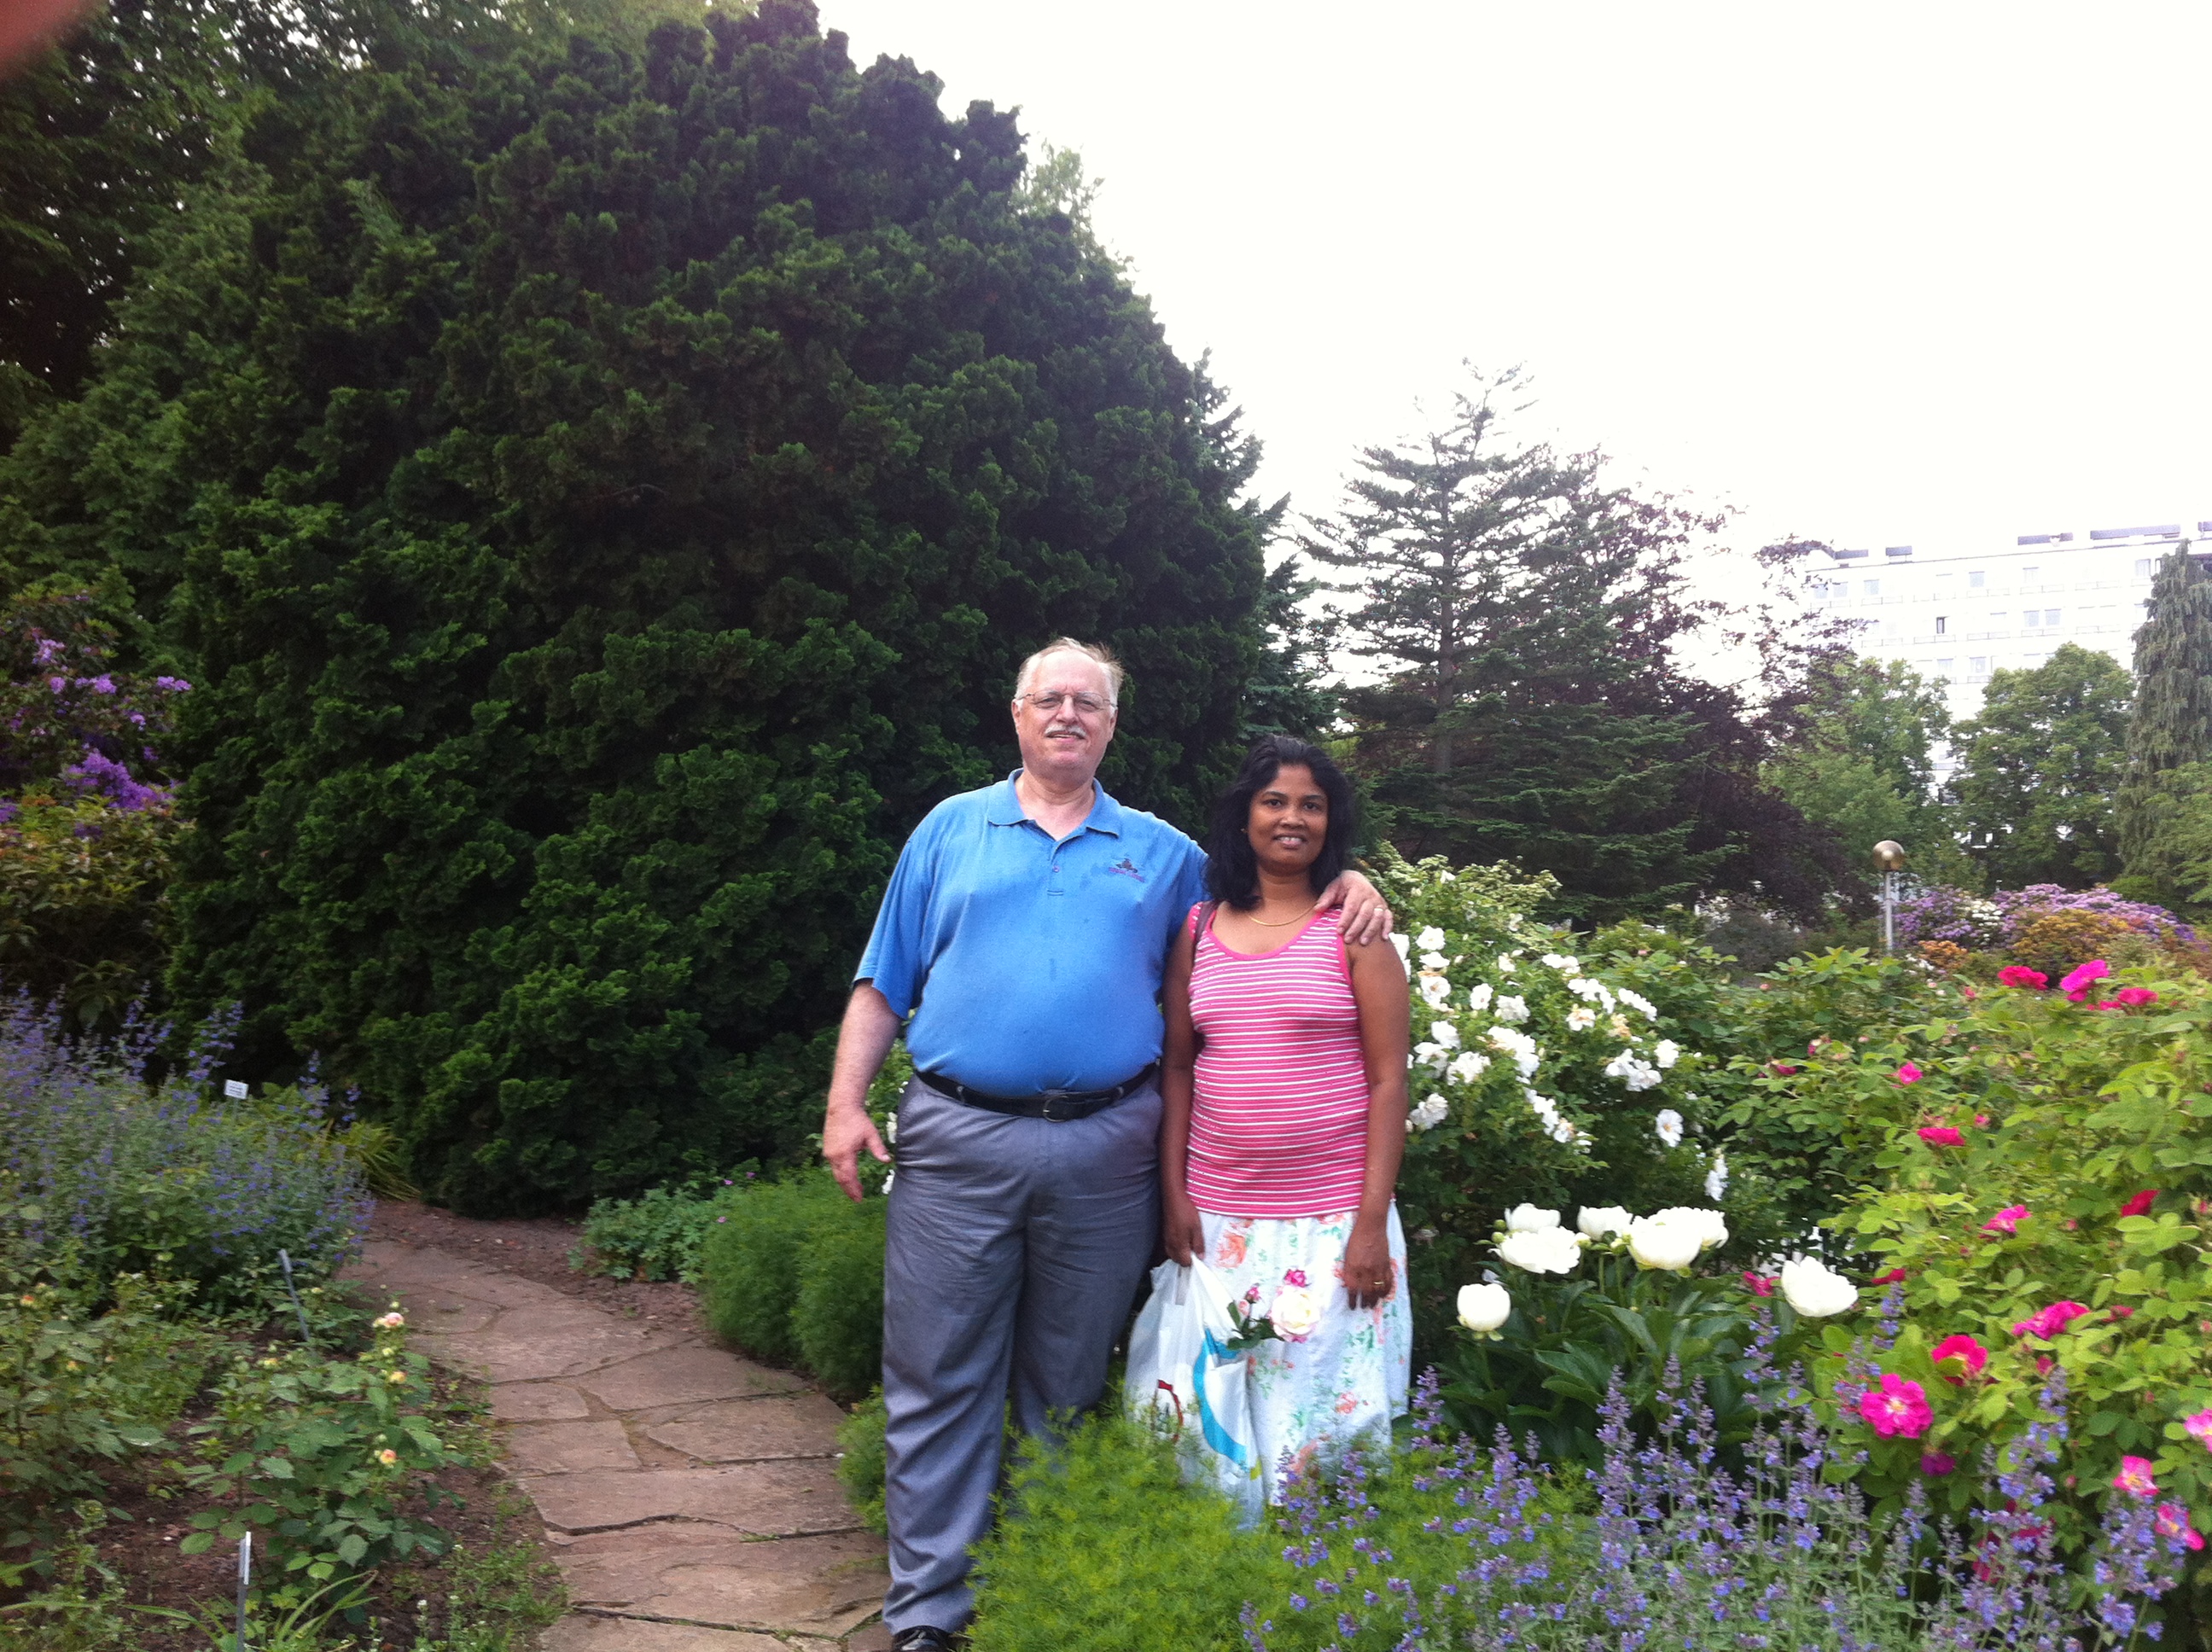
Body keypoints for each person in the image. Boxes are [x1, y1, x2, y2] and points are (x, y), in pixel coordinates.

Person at [820, 640, 1392, 1652]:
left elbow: (1267, 886)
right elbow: (883, 977)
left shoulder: (1161, 853)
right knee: (939, 1376)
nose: (1069, 714)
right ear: (1018, 713)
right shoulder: (950, 829)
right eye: (1051, 697)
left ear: (1112, 725)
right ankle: (930, 1613)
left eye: (1089, 702)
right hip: (958, 1136)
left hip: (1106, 1147)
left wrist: (1353, 878)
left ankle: (1039, 1590)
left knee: (1069, 1379)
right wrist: (844, 1102)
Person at [1159, 734, 1412, 1502]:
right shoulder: (1198, 929)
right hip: (1221, 1223)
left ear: (1332, 823)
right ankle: (1228, 1556)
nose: (1292, 818)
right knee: (1219, 1426)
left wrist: (1371, 1225)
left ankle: (1320, 1561)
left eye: (1312, 804)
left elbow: (1389, 1081)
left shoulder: (1356, 931)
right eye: (1274, 801)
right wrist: (1174, 1195)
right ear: (1245, 817)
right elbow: (1178, 1068)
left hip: (1331, 1226)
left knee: (1327, 1437)